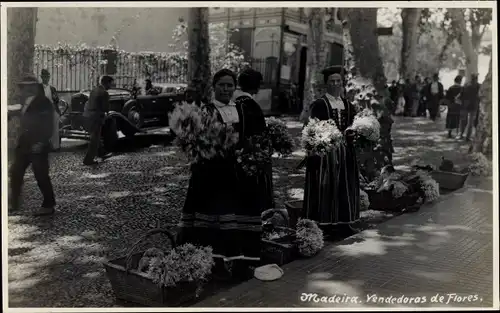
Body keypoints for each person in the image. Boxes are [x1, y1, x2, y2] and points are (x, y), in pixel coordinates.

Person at [178, 69, 271, 276]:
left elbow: (254, 136)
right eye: (222, 85)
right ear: (214, 87)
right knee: (217, 217)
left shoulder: (242, 108)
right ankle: (216, 264)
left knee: (241, 215)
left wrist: (252, 156)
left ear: (234, 87)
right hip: (214, 176)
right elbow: (195, 145)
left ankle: (241, 262)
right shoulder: (205, 112)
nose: (226, 89)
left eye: (230, 85)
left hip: (241, 175)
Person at [302, 65, 360, 237]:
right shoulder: (319, 105)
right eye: (332, 81)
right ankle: (324, 224)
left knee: (345, 185)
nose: (335, 84)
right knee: (326, 185)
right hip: (326, 154)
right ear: (326, 84)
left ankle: (344, 223)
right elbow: (310, 129)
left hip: (345, 153)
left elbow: (352, 126)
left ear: (342, 84)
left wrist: (352, 134)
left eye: (338, 81)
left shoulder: (348, 105)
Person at [10, 75, 56, 216]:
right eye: (22, 86)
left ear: (34, 87)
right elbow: (24, 113)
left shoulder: (43, 102)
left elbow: (48, 123)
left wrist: (42, 142)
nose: (22, 89)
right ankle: (14, 203)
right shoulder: (25, 101)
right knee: (15, 172)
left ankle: (49, 204)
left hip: (37, 144)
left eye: (25, 86)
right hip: (24, 143)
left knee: (41, 175)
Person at [82, 75, 114, 166]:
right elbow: (105, 108)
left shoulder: (94, 90)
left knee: (95, 137)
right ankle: (88, 160)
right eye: (111, 83)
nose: (111, 86)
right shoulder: (104, 93)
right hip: (96, 117)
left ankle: (102, 152)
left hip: (88, 116)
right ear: (107, 83)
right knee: (94, 140)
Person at [40, 69, 61, 151]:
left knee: (55, 128)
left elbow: (57, 100)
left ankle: (55, 146)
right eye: (44, 77)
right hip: (43, 110)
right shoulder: (39, 88)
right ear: (41, 77)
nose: (46, 78)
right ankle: (44, 146)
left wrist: (55, 98)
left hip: (53, 109)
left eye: (48, 77)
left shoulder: (52, 88)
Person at [459, 74, 481, 141]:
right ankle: (467, 137)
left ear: (471, 78)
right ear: (476, 78)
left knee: (463, 121)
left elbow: (461, 94)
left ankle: (461, 134)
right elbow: (480, 96)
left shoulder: (466, 85)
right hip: (474, 106)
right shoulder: (479, 86)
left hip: (465, 105)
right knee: (470, 122)